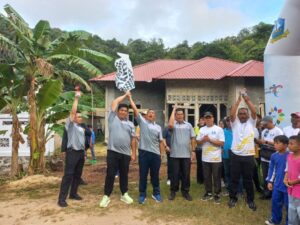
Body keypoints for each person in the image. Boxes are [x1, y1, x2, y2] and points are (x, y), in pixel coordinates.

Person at [99, 92, 137, 208]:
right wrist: (126, 95)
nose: (123, 112)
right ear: (118, 111)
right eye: (121, 110)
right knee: (110, 174)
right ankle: (106, 196)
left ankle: (124, 193)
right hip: (113, 152)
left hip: (125, 154)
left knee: (124, 174)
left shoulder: (131, 124)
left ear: (127, 113)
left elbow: (133, 140)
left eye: (125, 111)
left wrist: (134, 153)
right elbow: (115, 102)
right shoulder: (112, 119)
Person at [128, 93, 164, 204]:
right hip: (144, 153)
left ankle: (156, 193)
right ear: (146, 115)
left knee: (155, 175)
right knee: (143, 175)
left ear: (155, 116)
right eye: (149, 113)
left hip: (155, 155)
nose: (151, 114)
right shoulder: (142, 123)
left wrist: (161, 154)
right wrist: (130, 98)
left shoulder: (158, 127)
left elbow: (161, 141)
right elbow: (135, 109)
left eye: (153, 113)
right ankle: (142, 194)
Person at [228, 90, 257, 211]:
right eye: (241, 114)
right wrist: (239, 100)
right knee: (234, 178)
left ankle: (250, 200)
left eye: (245, 113)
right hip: (235, 155)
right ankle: (233, 198)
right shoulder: (234, 124)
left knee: (248, 179)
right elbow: (232, 113)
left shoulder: (252, 123)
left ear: (248, 115)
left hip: (249, 155)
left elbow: (254, 111)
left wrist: (246, 99)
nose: (243, 115)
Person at [58, 89, 86, 207]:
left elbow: (82, 142)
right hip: (72, 153)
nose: (79, 118)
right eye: (77, 116)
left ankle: (73, 194)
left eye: (80, 117)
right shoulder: (70, 126)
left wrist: (84, 153)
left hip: (80, 153)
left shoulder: (81, 128)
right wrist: (76, 99)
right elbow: (73, 112)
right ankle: (61, 199)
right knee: (68, 175)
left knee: (77, 175)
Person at [168, 107, 196, 201]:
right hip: (175, 154)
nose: (179, 116)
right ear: (175, 116)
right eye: (177, 114)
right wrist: (173, 109)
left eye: (181, 114)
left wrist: (193, 151)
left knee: (186, 174)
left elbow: (192, 138)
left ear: (184, 115)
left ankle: (185, 192)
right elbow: (170, 125)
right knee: (174, 174)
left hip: (186, 155)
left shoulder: (188, 125)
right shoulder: (173, 125)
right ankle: (173, 191)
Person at [197, 112, 225, 204]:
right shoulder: (202, 129)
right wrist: (203, 140)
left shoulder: (218, 129)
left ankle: (217, 194)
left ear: (213, 118)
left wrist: (210, 140)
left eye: (210, 117)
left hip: (216, 158)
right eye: (206, 118)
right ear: (204, 119)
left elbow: (221, 143)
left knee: (216, 176)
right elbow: (198, 142)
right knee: (207, 176)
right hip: (205, 157)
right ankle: (208, 192)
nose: (208, 119)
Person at [265, 135, 289, 225]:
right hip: (277, 184)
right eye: (274, 142)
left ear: (285, 145)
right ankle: (275, 219)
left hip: (288, 186)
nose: (275, 144)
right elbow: (272, 169)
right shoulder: (274, 156)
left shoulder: (290, 156)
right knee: (275, 203)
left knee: (288, 206)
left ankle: (290, 222)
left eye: (277, 143)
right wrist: (270, 181)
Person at [258, 116, 283, 200]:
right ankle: (267, 193)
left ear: (270, 122)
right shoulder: (264, 131)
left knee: (274, 176)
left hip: (274, 157)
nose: (263, 125)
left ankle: (275, 194)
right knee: (266, 176)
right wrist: (260, 142)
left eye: (265, 123)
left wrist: (266, 142)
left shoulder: (278, 131)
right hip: (264, 156)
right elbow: (262, 142)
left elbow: (280, 144)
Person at [284, 135, 300, 225]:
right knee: (292, 211)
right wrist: (285, 178)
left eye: (291, 144)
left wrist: (292, 182)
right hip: (291, 189)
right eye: (288, 143)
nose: (288, 145)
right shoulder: (289, 156)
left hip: (298, 190)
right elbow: (287, 169)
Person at [222, 117, 232, 195]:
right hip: (225, 155)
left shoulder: (237, 131)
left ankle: (240, 190)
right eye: (228, 121)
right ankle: (228, 189)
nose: (229, 123)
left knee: (237, 173)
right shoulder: (223, 131)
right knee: (227, 173)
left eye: (231, 121)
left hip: (236, 155)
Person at [194, 117, 205, 184]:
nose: (202, 121)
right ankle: (199, 180)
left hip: (205, 149)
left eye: (203, 120)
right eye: (200, 120)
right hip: (198, 149)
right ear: (199, 121)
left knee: (205, 164)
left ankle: (205, 179)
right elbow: (196, 138)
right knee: (199, 164)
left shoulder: (206, 128)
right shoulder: (196, 128)